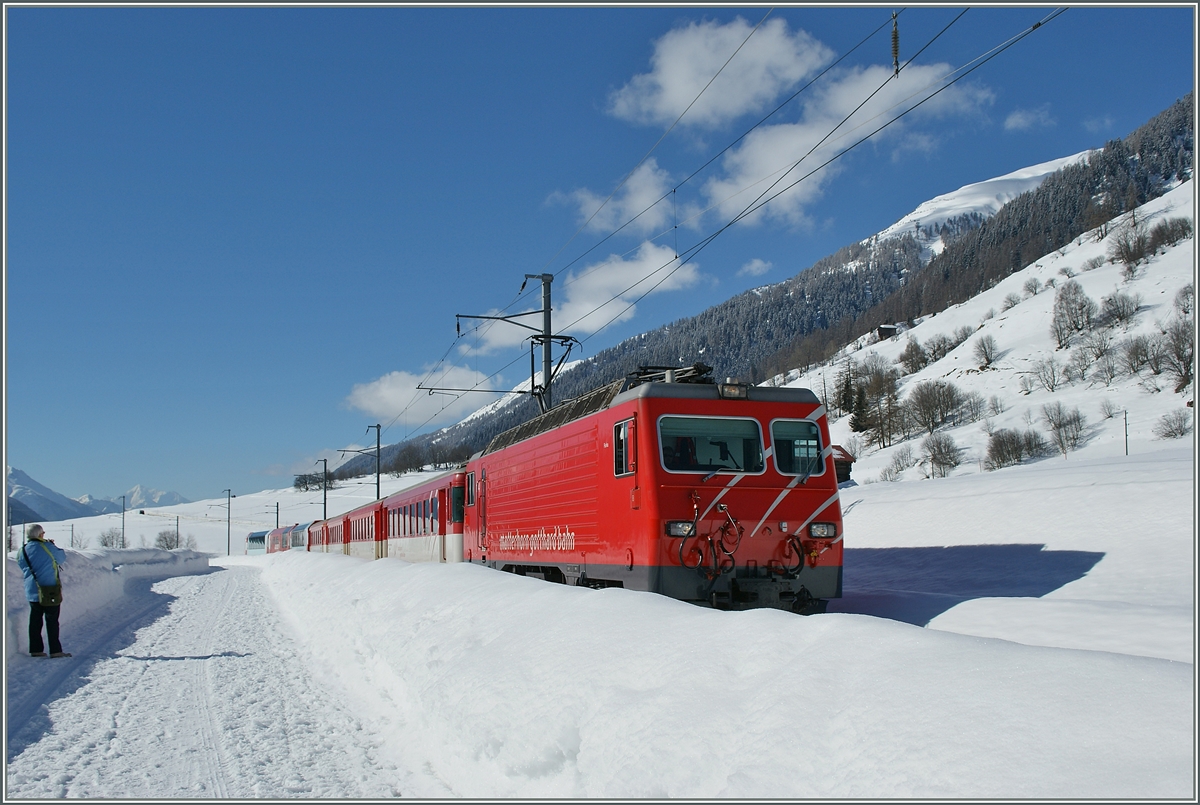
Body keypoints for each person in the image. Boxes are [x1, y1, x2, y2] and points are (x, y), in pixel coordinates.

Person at [16, 524, 71, 658]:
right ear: (40, 534)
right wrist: (51, 545)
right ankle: (55, 650)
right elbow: (61, 558)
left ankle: (36, 649)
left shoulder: (22, 550)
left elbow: (22, 565)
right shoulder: (47, 546)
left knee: (35, 620)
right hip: (49, 589)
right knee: (52, 620)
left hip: (32, 589)